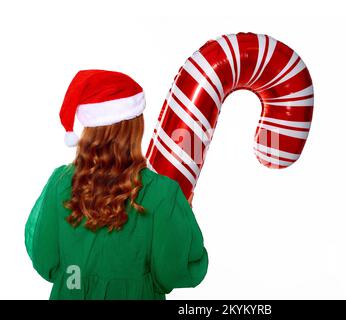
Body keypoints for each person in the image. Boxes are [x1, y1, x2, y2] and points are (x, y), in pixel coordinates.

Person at [24, 70, 208, 299]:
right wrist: (181, 217)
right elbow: (172, 272)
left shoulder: (60, 183)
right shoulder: (163, 193)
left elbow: (45, 259)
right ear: (135, 129)